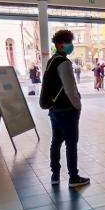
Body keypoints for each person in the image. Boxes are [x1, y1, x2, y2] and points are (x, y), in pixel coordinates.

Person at [41, 29, 90, 188]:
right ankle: (73, 178)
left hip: (54, 110)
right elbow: (70, 88)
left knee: (56, 142)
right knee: (71, 143)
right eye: (69, 43)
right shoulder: (64, 62)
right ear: (61, 45)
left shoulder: (52, 60)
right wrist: (78, 106)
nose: (71, 46)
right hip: (67, 111)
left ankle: (55, 175)